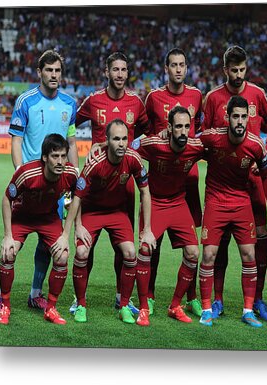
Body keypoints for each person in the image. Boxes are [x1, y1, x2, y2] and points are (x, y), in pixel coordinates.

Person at [201, 45, 267, 321]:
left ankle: (256, 300)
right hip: (223, 182)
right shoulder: (212, 98)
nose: (238, 75)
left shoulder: (257, 94)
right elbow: (203, 136)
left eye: (242, 69)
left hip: (253, 182)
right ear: (225, 70)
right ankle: (217, 299)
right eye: (233, 70)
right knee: (218, 244)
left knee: (258, 241)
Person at [3, 49, 78, 313]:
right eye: (49, 70)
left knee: (50, 243)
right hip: (30, 183)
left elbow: (71, 141)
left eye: (58, 70)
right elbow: (16, 139)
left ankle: (36, 293)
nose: (54, 75)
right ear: (39, 72)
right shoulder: (26, 101)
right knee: (15, 243)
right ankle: (6, 295)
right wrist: (20, 172)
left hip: (58, 185)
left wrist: (75, 172)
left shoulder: (70, 103)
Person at [73, 51, 148, 315]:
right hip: (95, 183)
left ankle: (120, 295)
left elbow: (146, 132)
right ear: (107, 72)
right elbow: (72, 123)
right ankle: (79, 298)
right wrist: (76, 155)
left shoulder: (136, 103)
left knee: (123, 246)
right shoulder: (93, 100)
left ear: (128, 73)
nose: (119, 75)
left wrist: (134, 149)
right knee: (86, 245)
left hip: (124, 185)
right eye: (115, 70)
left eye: (123, 70)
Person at [63, 119, 155, 324]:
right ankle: (80, 304)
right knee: (81, 252)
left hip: (116, 213)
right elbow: (77, 197)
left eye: (124, 139)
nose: (121, 143)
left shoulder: (133, 158)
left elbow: (145, 192)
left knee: (130, 253)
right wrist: (76, 227)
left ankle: (123, 305)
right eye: (116, 139)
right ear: (107, 140)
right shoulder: (94, 162)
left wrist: (147, 229)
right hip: (92, 211)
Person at [143, 48, 203, 316]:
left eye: (182, 65)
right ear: (166, 68)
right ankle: (150, 295)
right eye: (173, 65)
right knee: (151, 246)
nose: (178, 69)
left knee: (194, 244)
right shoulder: (154, 97)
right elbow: (143, 132)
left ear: (186, 68)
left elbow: (201, 131)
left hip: (189, 181)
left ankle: (190, 297)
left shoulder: (197, 96)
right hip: (162, 173)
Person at [131, 106, 204, 326]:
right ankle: (144, 307)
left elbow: (219, 146)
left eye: (187, 127)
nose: (183, 131)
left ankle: (175, 305)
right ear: (169, 128)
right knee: (145, 248)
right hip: (154, 203)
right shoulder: (154, 144)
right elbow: (129, 145)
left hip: (178, 203)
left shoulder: (195, 147)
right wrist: (103, 144)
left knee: (193, 253)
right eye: (178, 126)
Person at [0, 134, 78, 325]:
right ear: (44, 158)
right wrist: (8, 235)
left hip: (48, 218)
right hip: (22, 217)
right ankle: (5, 304)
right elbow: (6, 199)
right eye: (54, 156)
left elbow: (77, 198)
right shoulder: (27, 173)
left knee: (62, 255)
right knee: (8, 253)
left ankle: (51, 308)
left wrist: (67, 234)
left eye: (63, 156)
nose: (60, 161)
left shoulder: (71, 174)